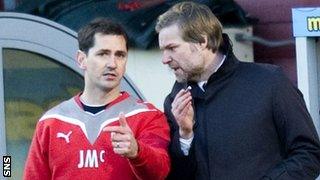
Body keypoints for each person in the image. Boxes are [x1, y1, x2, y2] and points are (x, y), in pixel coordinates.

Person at [155, 2, 320, 179]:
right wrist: (185, 135)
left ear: (202, 41)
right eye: (163, 50)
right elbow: (177, 175)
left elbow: (309, 154)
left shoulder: (269, 81)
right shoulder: (175, 100)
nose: (165, 59)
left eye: (172, 48)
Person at [24, 18, 170, 180]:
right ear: (81, 59)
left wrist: (137, 152)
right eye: (103, 54)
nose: (112, 64)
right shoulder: (51, 122)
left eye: (120, 55)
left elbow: (161, 172)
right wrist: (5, 171)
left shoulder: (148, 116)